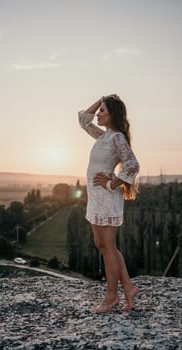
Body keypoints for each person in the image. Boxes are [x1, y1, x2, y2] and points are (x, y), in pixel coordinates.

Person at [78, 94, 140, 312]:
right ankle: (129, 288)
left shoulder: (117, 138)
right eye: (99, 110)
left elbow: (132, 164)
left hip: (107, 198)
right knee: (104, 246)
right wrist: (101, 99)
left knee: (108, 248)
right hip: (95, 198)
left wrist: (111, 183)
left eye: (103, 111)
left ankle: (111, 297)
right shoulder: (103, 136)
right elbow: (84, 119)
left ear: (113, 114)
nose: (98, 114)